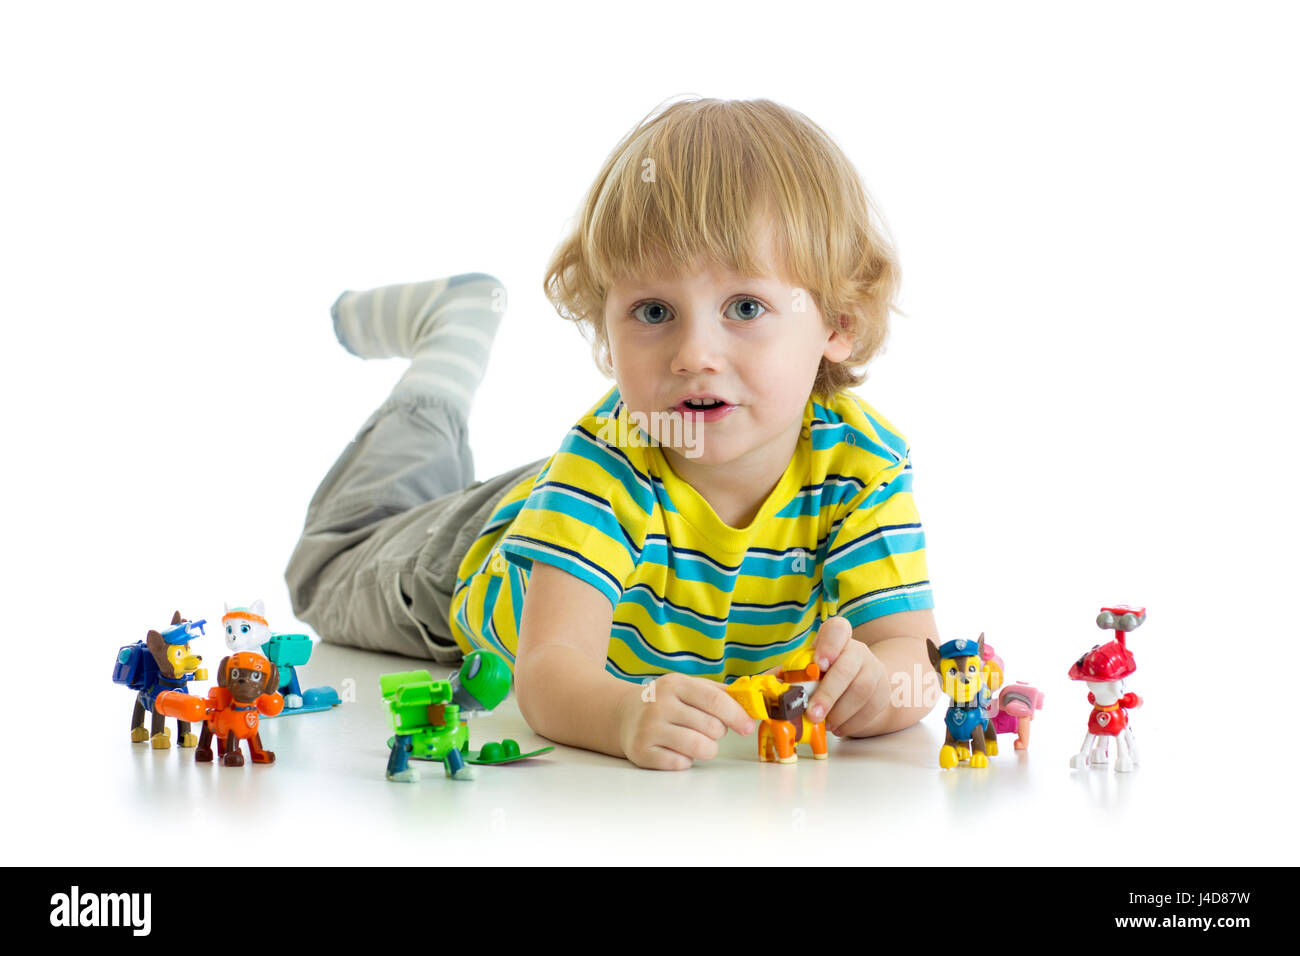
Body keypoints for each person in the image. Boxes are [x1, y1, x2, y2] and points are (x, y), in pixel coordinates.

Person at [286, 96, 940, 770]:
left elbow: (916, 656)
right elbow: (549, 674)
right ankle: (446, 350)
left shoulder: (863, 467)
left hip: (591, 510)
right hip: (461, 565)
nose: (694, 354)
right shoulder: (603, 467)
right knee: (331, 562)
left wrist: (874, 689)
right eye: (653, 310)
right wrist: (624, 714)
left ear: (839, 323)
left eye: (745, 307)